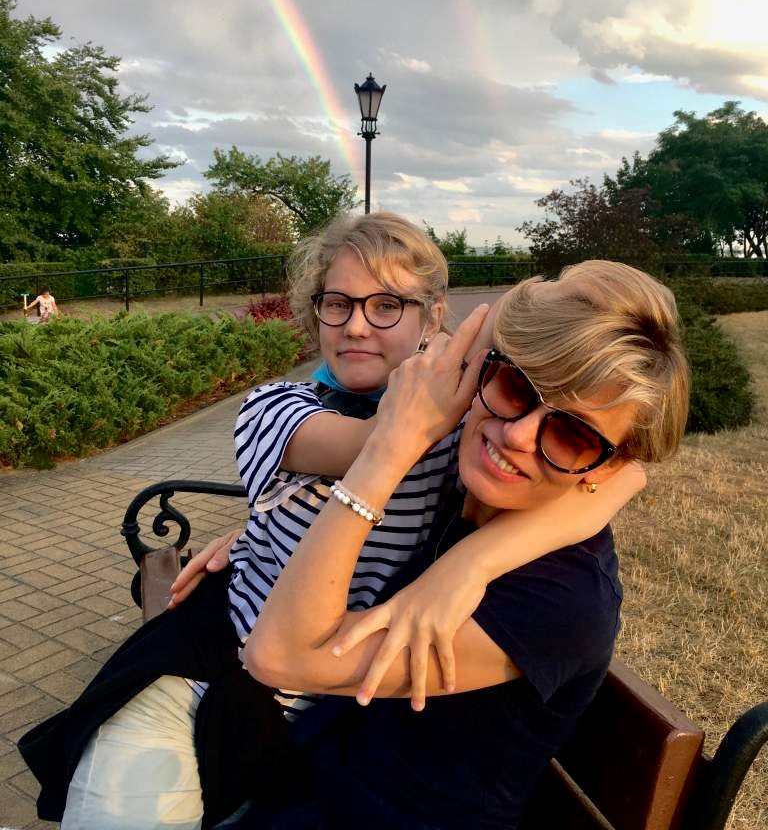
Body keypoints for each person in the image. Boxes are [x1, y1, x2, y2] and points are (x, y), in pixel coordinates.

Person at [19, 215, 643, 830]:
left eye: (386, 307)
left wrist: (472, 561)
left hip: (299, 724)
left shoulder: (471, 443)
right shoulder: (278, 409)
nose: (356, 327)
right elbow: (375, 442)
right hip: (204, 670)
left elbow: (625, 475)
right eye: (337, 304)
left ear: (434, 317)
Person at [241, 260, 691, 829]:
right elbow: (622, 473)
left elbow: (278, 655)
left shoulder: (561, 601)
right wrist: (249, 538)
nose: (519, 434)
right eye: (515, 385)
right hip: (313, 779)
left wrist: (390, 446)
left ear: (603, 465)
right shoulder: (471, 486)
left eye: (573, 435)